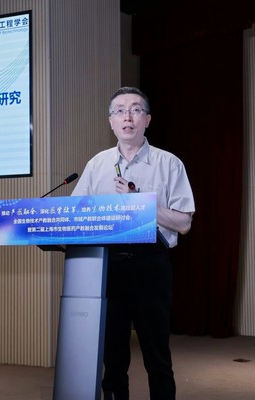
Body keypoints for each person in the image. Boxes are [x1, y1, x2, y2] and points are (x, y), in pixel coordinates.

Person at [71, 86, 195, 400]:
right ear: (111, 122)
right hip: (108, 266)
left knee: (156, 354)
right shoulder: (97, 165)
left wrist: (140, 203)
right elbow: (76, 214)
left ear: (147, 120)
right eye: (120, 111)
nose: (128, 116)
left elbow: (184, 223)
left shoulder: (169, 164)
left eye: (136, 110)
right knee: (112, 358)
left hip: (151, 265)